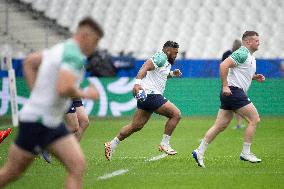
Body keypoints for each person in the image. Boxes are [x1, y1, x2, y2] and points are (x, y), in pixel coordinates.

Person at [0, 17, 104, 188]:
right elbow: (64, 88)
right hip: (39, 122)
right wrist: (87, 93)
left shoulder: (60, 48)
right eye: (95, 41)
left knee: (76, 165)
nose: (95, 47)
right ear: (85, 35)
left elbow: (29, 62)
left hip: (47, 120)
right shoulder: (74, 55)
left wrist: (36, 94)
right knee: (12, 172)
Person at [192, 31, 265, 168]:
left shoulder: (250, 57)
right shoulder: (242, 52)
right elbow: (223, 65)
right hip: (233, 91)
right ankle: (246, 153)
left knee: (221, 125)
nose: (259, 42)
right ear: (248, 42)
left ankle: (199, 151)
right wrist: (225, 86)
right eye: (256, 40)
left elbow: (240, 72)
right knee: (254, 119)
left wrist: (254, 77)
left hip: (231, 92)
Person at [104, 41, 182, 160]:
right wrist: (137, 84)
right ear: (168, 51)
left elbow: (161, 75)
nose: (176, 55)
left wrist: (172, 74)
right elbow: (145, 67)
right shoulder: (161, 57)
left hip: (147, 95)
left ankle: (112, 144)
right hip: (151, 94)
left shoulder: (166, 61)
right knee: (176, 114)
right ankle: (164, 143)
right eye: (175, 52)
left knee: (136, 125)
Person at [222, 39, 245, 129]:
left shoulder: (227, 54)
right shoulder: (240, 55)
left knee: (231, 105)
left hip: (228, 82)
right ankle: (239, 123)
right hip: (237, 82)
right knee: (238, 105)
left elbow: (222, 66)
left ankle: (237, 123)